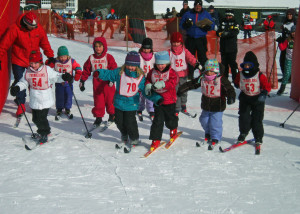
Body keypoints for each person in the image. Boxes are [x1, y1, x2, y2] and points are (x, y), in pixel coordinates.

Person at [94, 51, 162, 150]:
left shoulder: (140, 77)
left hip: (131, 104)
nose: (130, 67)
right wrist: (99, 73)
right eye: (128, 65)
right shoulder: (120, 72)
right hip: (118, 103)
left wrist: (156, 98)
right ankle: (124, 135)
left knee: (130, 122)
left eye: (133, 66)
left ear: (137, 66)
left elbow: (146, 91)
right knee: (118, 121)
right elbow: (109, 73)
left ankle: (134, 138)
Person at [9, 51, 73, 144]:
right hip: (34, 99)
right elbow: (24, 82)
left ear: (40, 62)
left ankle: (44, 133)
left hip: (45, 99)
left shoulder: (46, 70)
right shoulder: (28, 71)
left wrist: (64, 76)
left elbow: (56, 76)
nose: (33, 65)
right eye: (31, 63)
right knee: (35, 119)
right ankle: (44, 131)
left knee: (41, 119)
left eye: (35, 63)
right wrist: (17, 87)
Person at [0, 11, 55, 118]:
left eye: (35, 26)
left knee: (35, 83)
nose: (34, 28)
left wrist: (50, 56)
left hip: (35, 61)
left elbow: (44, 42)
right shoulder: (14, 29)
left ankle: (36, 104)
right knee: (21, 81)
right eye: (31, 26)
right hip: (19, 60)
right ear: (26, 24)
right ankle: (21, 104)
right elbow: (4, 44)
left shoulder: (38, 28)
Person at [178, 59, 235, 149]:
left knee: (215, 123)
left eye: (211, 71)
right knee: (203, 120)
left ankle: (216, 137)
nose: (209, 73)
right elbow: (192, 84)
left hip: (218, 105)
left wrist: (231, 97)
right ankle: (208, 133)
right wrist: (181, 89)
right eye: (207, 71)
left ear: (216, 71)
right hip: (206, 105)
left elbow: (229, 89)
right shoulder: (202, 78)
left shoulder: (221, 79)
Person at [233, 51, 271, 147]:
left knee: (257, 119)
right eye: (245, 65)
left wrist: (264, 93)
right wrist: (236, 83)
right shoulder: (241, 74)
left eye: (249, 65)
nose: (246, 67)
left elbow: (267, 86)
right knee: (243, 117)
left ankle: (258, 136)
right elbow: (237, 82)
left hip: (257, 99)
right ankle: (243, 133)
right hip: (245, 98)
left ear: (254, 65)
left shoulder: (259, 75)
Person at [145, 51, 179, 151]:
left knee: (170, 119)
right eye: (159, 64)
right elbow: (148, 79)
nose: (161, 66)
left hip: (169, 101)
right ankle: (155, 140)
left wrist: (163, 84)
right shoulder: (152, 72)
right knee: (157, 121)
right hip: (158, 101)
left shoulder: (171, 72)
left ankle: (173, 129)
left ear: (167, 63)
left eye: (163, 64)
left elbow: (173, 82)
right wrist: (147, 84)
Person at [79, 37, 117, 127]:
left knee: (110, 101)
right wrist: (82, 80)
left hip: (108, 84)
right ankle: (98, 117)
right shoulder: (91, 58)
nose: (98, 48)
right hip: (97, 84)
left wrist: (112, 79)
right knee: (98, 101)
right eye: (96, 46)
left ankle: (113, 115)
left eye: (100, 46)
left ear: (104, 47)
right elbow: (86, 70)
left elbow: (114, 69)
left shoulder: (108, 57)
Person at [179, 0, 215, 80]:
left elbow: (212, 24)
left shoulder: (206, 14)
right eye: (196, 6)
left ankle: (204, 74)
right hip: (191, 38)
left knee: (202, 57)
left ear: (201, 6)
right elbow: (181, 24)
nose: (197, 7)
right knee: (190, 57)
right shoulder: (188, 13)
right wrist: (186, 25)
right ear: (194, 6)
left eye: (199, 6)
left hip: (201, 38)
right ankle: (190, 75)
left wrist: (208, 27)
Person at [168, 32, 199, 116]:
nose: (176, 44)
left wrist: (195, 63)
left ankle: (183, 105)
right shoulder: (169, 52)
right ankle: (177, 108)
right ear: (171, 42)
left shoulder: (184, 51)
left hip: (183, 75)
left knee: (184, 91)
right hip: (174, 76)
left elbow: (190, 58)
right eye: (174, 42)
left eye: (178, 42)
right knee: (176, 91)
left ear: (181, 42)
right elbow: (165, 61)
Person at [51, 46, 82, 118]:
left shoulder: (71, 61)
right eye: (61, 56)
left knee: (69, 95)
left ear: (67, 55)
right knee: (59, 95)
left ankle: (67, 108)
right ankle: (59, 108)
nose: (62, 58)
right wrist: (49, 61)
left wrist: (78, 73)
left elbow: (78, 67)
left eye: (64, 56)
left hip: (68, 83)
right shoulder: (56, 61)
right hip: (59, 83)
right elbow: (47, 66)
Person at [216, 9, 239, 82]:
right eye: (227, 16)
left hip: (232, 48)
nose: (228, 17)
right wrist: (220, 33)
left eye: (229, 16)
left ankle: (235, 79)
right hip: (223, 47)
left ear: (232, 16)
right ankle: (224, 79)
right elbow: (218, 31)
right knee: (224, 64)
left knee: (233, 64)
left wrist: (227, 33)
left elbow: (235, 32)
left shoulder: (235, 23)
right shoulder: (222, 22)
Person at [137, 38, 156, 121]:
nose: (146, 50)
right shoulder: (139, 56)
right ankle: (140, 108)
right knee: (141, 95)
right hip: (141, 78)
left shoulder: (154, 56)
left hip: (150, 79)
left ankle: (151, 110)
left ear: (151, 48)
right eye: (144, 48)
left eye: (148, 48)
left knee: (149, 95)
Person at [277, 8, 297, 82]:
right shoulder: (285, 23)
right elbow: (284, 34)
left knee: (290, 61)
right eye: (288, 14)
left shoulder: (295, 23)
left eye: (291, 14)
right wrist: (281, 39)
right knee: (282, 60)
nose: (289, 16)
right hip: (285, 43)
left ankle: (291, 77)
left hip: (292, 44)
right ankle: (285, 76)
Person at [277, 25, 296, 95]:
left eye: (295, 32)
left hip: (296, 61)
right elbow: (282, 48)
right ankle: (281, 89)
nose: (293, 33)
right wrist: (279, 42)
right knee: (286, 74)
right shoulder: (288, 40)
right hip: (289, 60)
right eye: (292, 32)